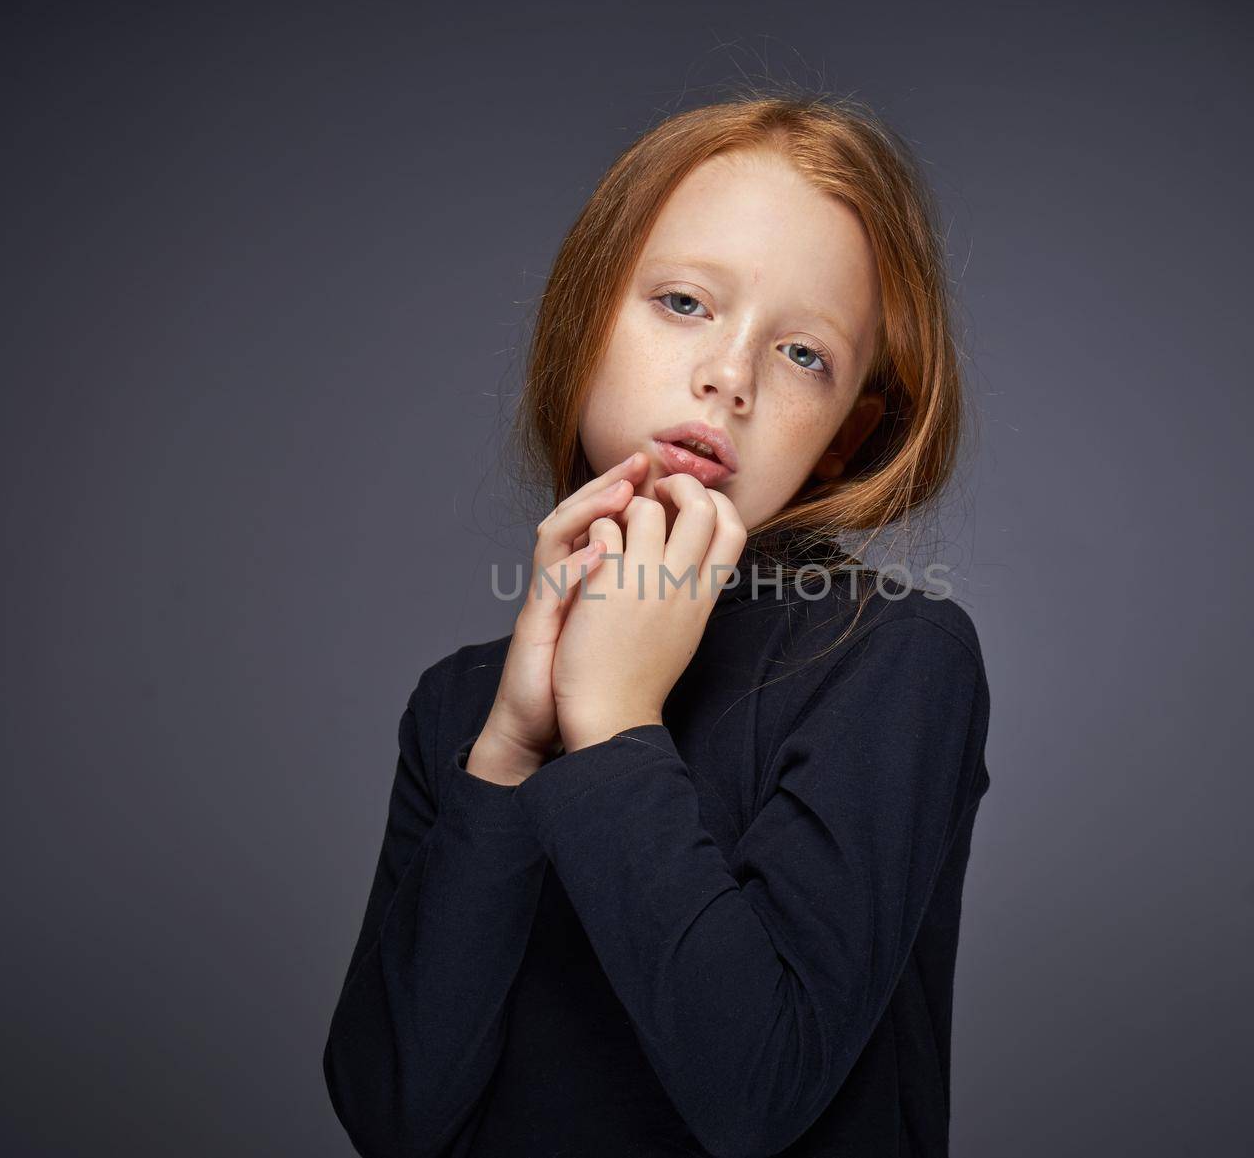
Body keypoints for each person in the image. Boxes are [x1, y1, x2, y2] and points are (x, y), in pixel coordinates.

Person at [322, 90, 993, 1158]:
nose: (728, 376)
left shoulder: (892, 661)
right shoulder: (461, 704)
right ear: (584, 317)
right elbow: (394, 1114)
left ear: (844, 434)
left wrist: (619, 720)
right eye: (684, 302)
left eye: (804, 355)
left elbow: (757, 1091)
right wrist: (507, 754)